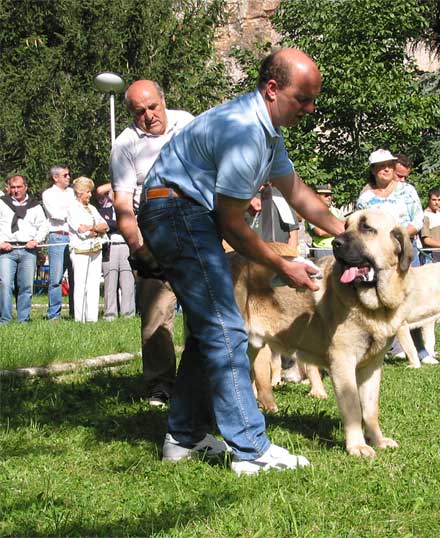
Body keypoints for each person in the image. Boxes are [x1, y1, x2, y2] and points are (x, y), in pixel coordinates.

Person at [138, 48, 345, 475]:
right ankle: (251, 448)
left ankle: (183, 438)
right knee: (227, 327)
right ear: (272, 89)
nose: (310, 108)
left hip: (182, 212)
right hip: (175, 212)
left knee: (206, 331)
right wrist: (285, 266)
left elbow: (299, 194)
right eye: (303, 99)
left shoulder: (268, 133)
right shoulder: (246, 132)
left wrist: (349, 235)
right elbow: (233, 224)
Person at [110, 80, 194, 406]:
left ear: (164, 99)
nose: (148, 116)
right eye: (138, 111)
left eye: (152, 107)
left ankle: (206, 380)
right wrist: (139, 249)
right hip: (152, 229)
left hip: (196, 223)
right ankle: (160, 387)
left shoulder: (187, 122)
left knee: (208, 309)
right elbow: (122, 205)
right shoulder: (125, 144)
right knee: (157, 313)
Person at [356, 149, 436, 365]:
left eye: (390, 165)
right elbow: (359, 228)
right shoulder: (365, 198)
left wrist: (397, 238)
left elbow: (418, 219)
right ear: (373, 170)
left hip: (405, 251)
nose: (386, 169)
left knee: (410, 299)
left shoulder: (407, 191)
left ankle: (420, 350)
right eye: (381, 166)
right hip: (376, 258)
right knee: (379, 302)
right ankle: (383, 349)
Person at [0, 175, 48, 323]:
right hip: (6, 250)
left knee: (26, 286)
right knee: (5, 284)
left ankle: (23, 319)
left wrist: (36, 240)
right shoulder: (2, 203)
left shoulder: (35, 205)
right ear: (9, 188)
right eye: (13, 187)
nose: (15, 190)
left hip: (28, 250)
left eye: (19, 187)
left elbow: (44, 226)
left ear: (25, 187)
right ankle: (5, 319)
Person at [67, 177, 109, 322]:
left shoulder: (92, 208)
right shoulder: (72, 208)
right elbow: (81, 231)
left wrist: (92, 228)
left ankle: (92, 318)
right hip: (80, 250)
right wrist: (94, 229)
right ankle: (79, 319)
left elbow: (104, 226)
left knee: (93, 284)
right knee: (80, 285)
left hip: (96, 249)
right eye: (87, 192)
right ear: (79, 193)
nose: (90, 195)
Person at [96, 183, 135, 320]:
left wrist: (111, 224)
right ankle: (110, 314)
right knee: (110, 282)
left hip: (126, 246)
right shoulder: (102, 212)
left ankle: (128, 314)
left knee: (127, 282)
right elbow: (102, 226)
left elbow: (128, 226)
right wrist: (117, 224)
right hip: (110, 247)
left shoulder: (130, 210)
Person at [42, 164, 75, 320]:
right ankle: (54, 315)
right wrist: (73, 215)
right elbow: (55, 214)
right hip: (58, 236)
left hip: (74, 237)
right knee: (56, 278)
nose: (68, 177)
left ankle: (76, 312)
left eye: (69, 175)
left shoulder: (72, 193)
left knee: (75, 276)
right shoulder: (48, 194)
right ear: (55, 177)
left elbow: (79, 210)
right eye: (65, 175)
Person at [305, 184, 344, 258]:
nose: (329, 197)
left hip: (338, 249)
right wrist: (339, 230)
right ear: (317, 196)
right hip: (322, 250)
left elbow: (346, 228)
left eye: (330, 195)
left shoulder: (337, 212)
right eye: (326, 195)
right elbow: (320, 232)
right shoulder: (311, 212)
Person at [420, 188, 440, 263]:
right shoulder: (425, 216)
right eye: (434, 200)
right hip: (431, 255)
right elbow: (427, 240)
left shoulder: (438, 214)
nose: (437, 203)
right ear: (429, 200)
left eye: (439, 200)